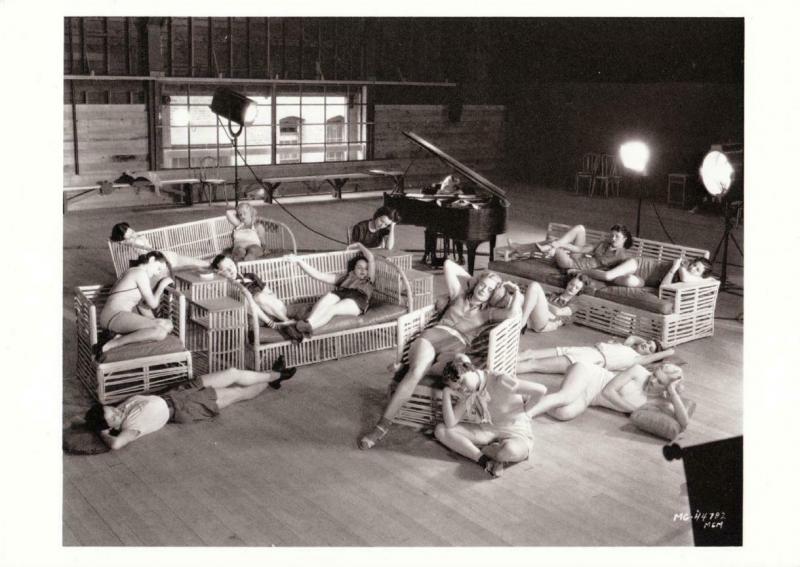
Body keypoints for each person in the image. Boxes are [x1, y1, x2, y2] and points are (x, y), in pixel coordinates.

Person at [358, 260, 523, 450]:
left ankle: (404, 368)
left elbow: (513, 314)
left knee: (461, 368)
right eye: (482, 285)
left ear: (492, 295)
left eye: (489, 290)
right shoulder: (458, 295)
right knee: (416, 372)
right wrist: (476, 278)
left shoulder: (488, 313)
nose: (483, 290)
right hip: (432, 337)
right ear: (476, 283)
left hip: (455, 348)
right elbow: (448, 265)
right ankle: (381, 427)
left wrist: (515, 291)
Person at [82, 364, 297, 451]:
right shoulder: (132, 426)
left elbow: (84, 418)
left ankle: (275, 374)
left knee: (232, 373)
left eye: (112, 408)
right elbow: (116, 444)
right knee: (237, 394)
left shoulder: (121, 409)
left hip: (176, 391)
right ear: (110, 426)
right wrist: (102, 432)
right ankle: (272, 380)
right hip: (185, 408)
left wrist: (99, 418)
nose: (117, 410)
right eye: (114, 416)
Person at [434, 355, 547, 478]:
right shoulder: (469, 392)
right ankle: (484, 460)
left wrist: (526, 411)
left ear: (471, 369)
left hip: (516, 432)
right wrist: (447, 393)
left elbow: (541, 390)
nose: (463, 389)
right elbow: (450, 423)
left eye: (462, 382)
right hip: (488, 431)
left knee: (508, 451)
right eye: (458, 388)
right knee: (441, 430)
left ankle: (493, 452)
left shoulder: (501, 380)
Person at [523, 362, 689, 427]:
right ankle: (525, 417)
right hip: (590, 374)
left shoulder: (660, 401)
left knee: (564, 413)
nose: (652, 381)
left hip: (591, 398)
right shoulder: (639, 372)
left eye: (659, 382)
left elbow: (684, 423)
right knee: (566, 397)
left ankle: (531, 397)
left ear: (667, 387)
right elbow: (608, 392)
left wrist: (673, 393)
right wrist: (634, 410)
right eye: (654, 375)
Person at [283, 242, 376, 341]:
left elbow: (370, 258)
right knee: (329, 296)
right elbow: (319, 275)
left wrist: (358, 245)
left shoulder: (369, 280)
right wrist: (299, 261)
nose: (363, 270)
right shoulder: (345, 278)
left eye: (366, 268)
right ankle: (306, 324)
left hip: (358, 298)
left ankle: (306, 327)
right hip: (342, 293)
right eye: (359, 267)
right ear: (353, 269)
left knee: (332, 309)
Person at [509, 224, 642, 287]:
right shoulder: (603, 243)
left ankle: (521, 248)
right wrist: (559, 244)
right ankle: (528, 248)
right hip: (579, 258)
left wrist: (557, 246)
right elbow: (580, 248)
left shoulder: (622, 256)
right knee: (580, 229)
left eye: (616, 236)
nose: (612, 238)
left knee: (553, 244)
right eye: (611, 235)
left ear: (624, 239)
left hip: (570, 265)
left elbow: (610, 274)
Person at [97, 251, 175, 355]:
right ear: (151, 259)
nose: (157, 273)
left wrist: (155, 321)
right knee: (160, 332)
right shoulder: (140, 273)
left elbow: (141, 306)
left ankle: (118, 336)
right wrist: (162, 285)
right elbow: (153, 304)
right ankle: (114, 343)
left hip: (116, 316)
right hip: (114, 316)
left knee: (167, 325)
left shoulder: (134, 271)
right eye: (158, 268)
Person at [517, 335, 673, 375]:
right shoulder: (627, 346)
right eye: (648, 342)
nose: (646, 345)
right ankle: (495, 360)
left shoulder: (637, 360)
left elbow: (670, 352)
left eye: (650, 348)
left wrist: (667, 348)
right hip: (586, 350)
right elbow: (633, 338)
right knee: (529, 353)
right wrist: (649, 342)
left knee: (533, 365)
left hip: (592, 359)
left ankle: (495, 370)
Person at [210, 253, 291, 328]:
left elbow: (271, 294)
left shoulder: (250, 276)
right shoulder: (227, 287)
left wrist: (259, 299)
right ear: (220, 272)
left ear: (234, 263)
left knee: (258, 297)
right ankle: (274, 324)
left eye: (231, 265)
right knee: (244, 298)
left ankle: (286, 320)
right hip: (258, 316)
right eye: (225, 269)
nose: (231, 270)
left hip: (275, 309)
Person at [110, 222, 210, 271]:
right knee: (196, 263)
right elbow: (147, 253)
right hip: (164, 259)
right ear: (124, 237)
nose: (133, 232)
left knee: (195, 263)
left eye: (131, 231)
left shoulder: (130, 241)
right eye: (130, 233)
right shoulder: (136, 242)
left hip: (164, 257)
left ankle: (211, 265)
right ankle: (212, 265)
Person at [519, 275, 590, 334]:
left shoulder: (575, 303)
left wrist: (542, 301)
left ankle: (522, 322)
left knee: (535, 285)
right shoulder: (554, 295)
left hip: (546, 323)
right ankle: (520, 323)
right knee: (519, 296)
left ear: (579, 291)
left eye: (576, 288)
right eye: (571, 284)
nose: (572, 288)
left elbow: (558, 312)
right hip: (533, 319)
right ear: (568, 283)